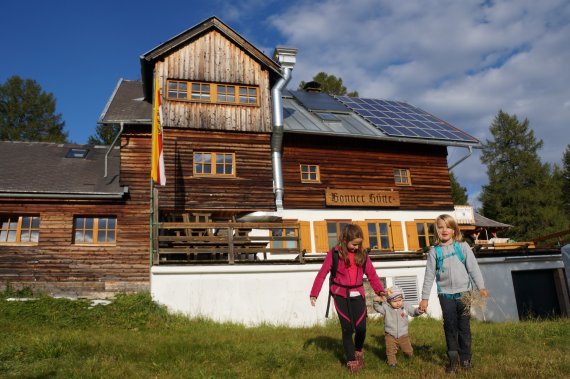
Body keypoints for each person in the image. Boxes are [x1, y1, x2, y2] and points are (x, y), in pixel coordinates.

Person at [310, 224, 386, 374]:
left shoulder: (363, 255)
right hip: (340, 295)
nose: (357, 247)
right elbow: (322, 273)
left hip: (358, 294)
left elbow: (372, 275)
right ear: (344, 240)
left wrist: (380, 291)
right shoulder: (334, 254)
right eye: (354, 244)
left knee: (361, 328)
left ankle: (358, 350)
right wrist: (314, 293)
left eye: (359, 244)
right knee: (347, 328)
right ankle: (351, 360)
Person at [419, 214, 489, 373]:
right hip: (445, 295)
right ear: (436, 230)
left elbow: (473, 268)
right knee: (450, 326)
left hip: (464, 294)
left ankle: (465, 360)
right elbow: (429, 276)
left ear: (454, 229)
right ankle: (453, 361)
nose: (444, 230)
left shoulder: (462, 247)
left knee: (464, 327)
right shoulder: (434, 252)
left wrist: (481, 287)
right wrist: (424, 298)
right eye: (440, 227)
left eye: (448, 226)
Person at [373, 286, 423, 368]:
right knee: (390, 351)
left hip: (403, 335)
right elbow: (378, 308)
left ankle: (409, 357)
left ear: (403, 298)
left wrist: (419, 311)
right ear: (389, 301)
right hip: (390, 334)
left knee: (408, 351)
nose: (398, 303)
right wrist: (375, 302)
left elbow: (413, 312)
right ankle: (392, 363)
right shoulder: (386, 307)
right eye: (394, 301)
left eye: (400, 300)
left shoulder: (405, 306)